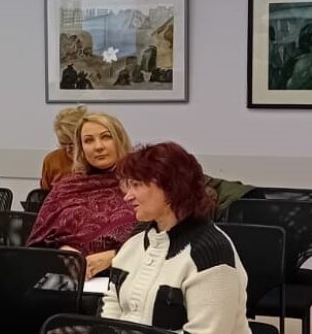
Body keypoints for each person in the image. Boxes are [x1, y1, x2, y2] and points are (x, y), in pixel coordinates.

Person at [102, 142, 250, 334]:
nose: (127, 197)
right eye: (127, 186)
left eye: (136, 185)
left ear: (170, 187)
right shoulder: (135, 243)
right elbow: (111, 306)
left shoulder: (210, 252)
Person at [27, 111, 136, 278]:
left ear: (120, 140)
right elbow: (38, 244)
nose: (98, 146)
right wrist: (63, 252)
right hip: (69, 278)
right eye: (88, 140)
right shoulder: (66, 187)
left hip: (128, 276)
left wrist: (115, 256)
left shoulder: (143, 183)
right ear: (81, 148)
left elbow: (163, 239)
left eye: (106, 137)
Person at [40, 105, 86, 190]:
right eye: (63, 144)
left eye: (72, 144)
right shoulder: (52, 160)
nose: (68, 149)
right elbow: (44, 194)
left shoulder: (96, 158)